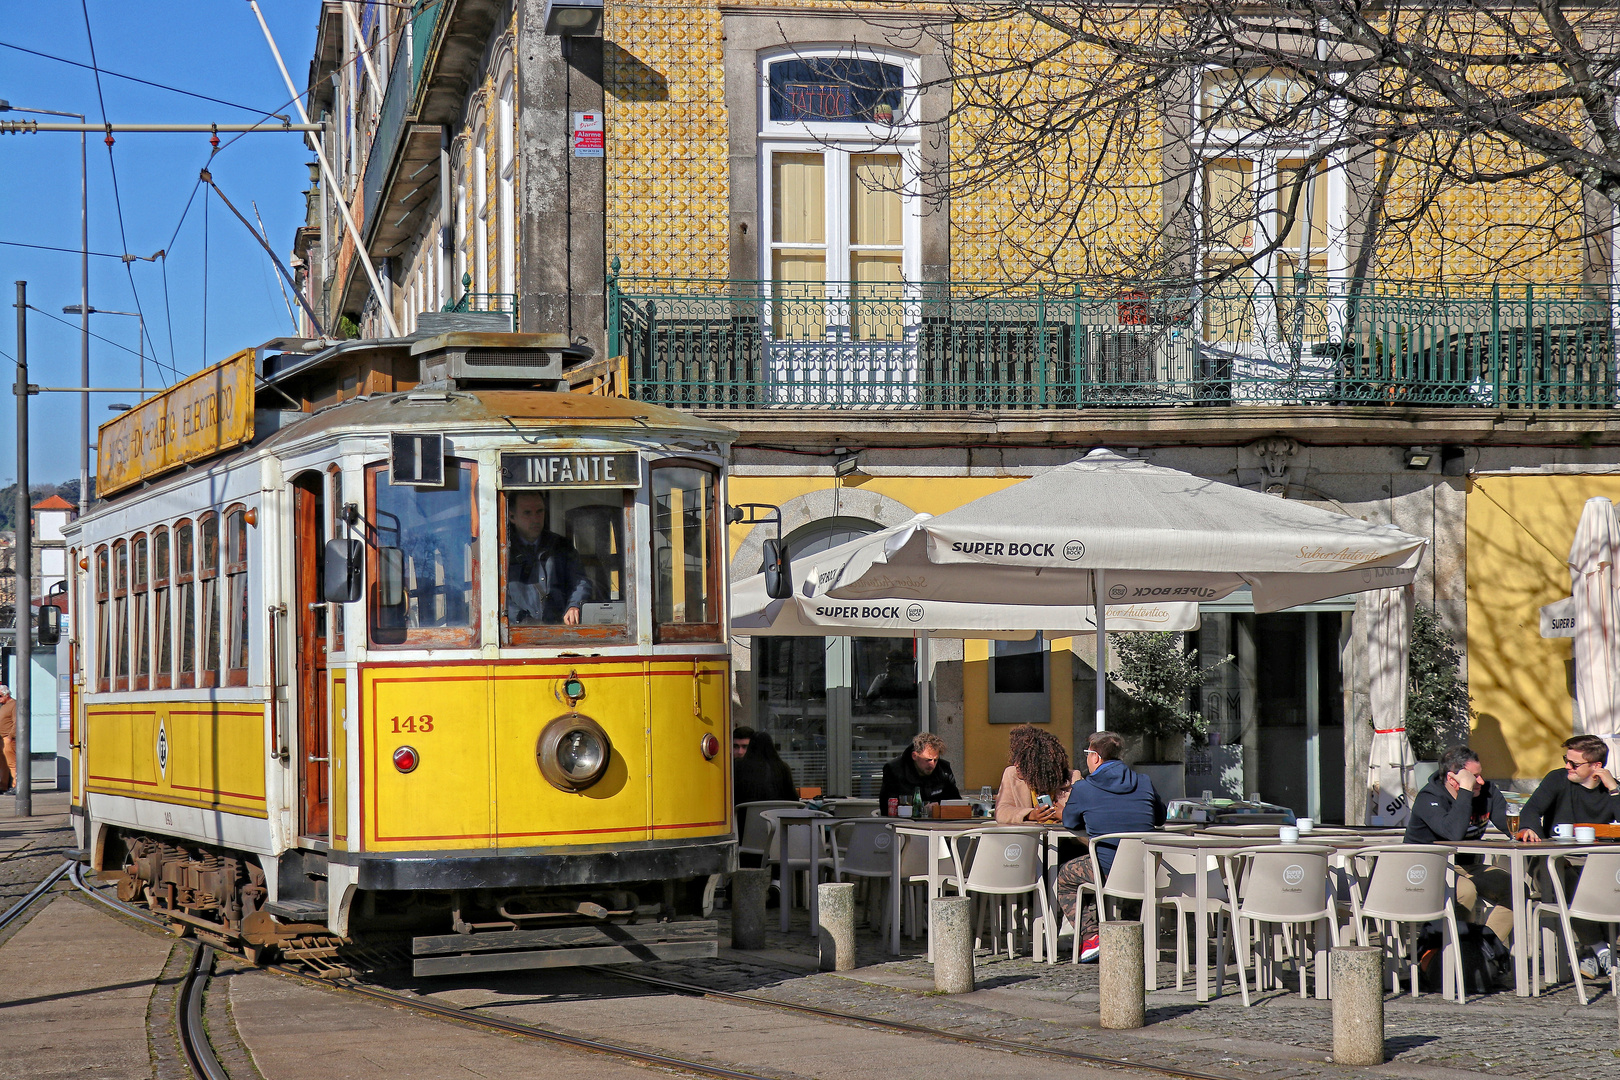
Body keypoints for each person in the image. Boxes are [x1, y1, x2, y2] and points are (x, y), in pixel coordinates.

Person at [1054, 730, 1166, 962]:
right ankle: (1131, 935)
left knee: (1064, 877)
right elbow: (1159, 818)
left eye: (1087, 754)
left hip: (1106, 868)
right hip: (1144, 867)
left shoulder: (1084, 788)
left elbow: (1070, 821)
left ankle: (1092, 937)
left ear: (1095, 757)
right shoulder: (1143, 781)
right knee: (1133, 879)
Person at [1516, 734, 1620, 976]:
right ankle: (1602, 950)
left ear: (1596, 766)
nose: (1567, 766)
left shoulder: (1611, 790)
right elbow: (1530, 810)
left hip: (1598, 863)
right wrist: (1530, 827)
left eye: (1574, 763)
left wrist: (1614, 789)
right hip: (1555, 860)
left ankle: (1590, 953)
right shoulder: (1557, 779)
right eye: (1566, 759)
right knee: (1568, 880)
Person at [1403, 744, 1517, 952]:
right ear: (1453, 779)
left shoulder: (1487, 792)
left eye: (1480, 775)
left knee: (1517, 889)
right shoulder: (1429, 798)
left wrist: (1526, 828)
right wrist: (1465, 790)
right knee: (1464, 891)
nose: (1481, 781)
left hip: (1468, 867)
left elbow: (1510, 825)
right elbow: (1453, 834)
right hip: (1429, 867)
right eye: (1474, 777)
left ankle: (1482, 950)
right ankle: (1454, 954)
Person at [505, 492, 591, 626]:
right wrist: (522, 619)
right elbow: (495, 595)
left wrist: (575, 605)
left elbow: (580, 581)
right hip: (517, 634)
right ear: (512, 516)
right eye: (527, 513)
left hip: (558, 630)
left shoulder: (561, 545)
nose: (535, 519)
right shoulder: (502, 550)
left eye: (539, 511)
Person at [995, 724, 1081, 825]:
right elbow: (1001, 811)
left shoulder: (1073, 778)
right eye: (1016, 759)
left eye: (1023, 762)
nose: (1016, 765)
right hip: (1027, 838)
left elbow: (1086, 814)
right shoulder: (1011, 774)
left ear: (1040, 764)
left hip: (1063, 839)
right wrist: (1031, 814)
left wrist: (1065, 815)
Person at [878, 732, 961, 807]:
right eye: (927, 760)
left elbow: (956, 802)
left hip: (939, 821)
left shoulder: (944, 770)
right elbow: (886, 806)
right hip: (906, 821)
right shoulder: (894, 770)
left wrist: (939, 807)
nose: (932, 764)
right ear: (914, 756)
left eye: (935, 760)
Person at [733, 730, 797, 806]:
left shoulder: (738, 766)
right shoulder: (782, 768)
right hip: (776, 815)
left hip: (747, 816)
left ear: (750, 747)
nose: (740, 752)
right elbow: (794, 798)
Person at [0, 685, 14, 796]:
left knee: (12, 763)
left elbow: (17, 722)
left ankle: (16, 786)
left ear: (6, 694)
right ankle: (3, 785)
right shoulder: (3, 706)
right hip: (2, 739)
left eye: (0, 696)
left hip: (7, 738)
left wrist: (10, 736)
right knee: (3, 763)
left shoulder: (13, 705)